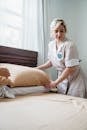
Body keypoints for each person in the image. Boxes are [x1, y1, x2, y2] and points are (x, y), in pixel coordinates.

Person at [36, 18, 86, 98]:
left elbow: (70, 68)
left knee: (75, 102)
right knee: (63, 101)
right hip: (62, 78)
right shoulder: (51, 45)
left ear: (65, 31)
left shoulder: (70, 45)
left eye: (61, 31)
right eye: (56, 31)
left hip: (75, 79)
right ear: (52, 31)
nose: (59, 34)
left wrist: (55, 83)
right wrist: (37, 68)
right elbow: (51, 62)